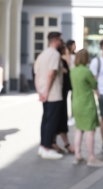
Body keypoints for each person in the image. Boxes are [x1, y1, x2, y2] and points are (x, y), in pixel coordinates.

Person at [70, 49, 103, 167]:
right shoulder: (86, 71)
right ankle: (91, 157)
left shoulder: (73, 71)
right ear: (86, 59)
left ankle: (77, 155)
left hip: (76, 103)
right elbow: (94, 85)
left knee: (79, 129)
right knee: (90, 131)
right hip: (86, 104)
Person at [34, 31, 64, 159]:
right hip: (53, 93)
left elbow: (36, 74)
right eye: (60, 40)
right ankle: (47, 148)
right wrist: (46, 92)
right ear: (56, 40)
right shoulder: (55, 54)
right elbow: (51, 74)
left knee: (45, 120)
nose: (61, 42)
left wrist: (40, 92)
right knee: (51, 121)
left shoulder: (42, 54)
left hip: (44, 93)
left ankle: (42, 146)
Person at [54, 41, 75, 154]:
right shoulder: (59, 60)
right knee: (58, 119)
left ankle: (61, 143)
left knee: (61, 119)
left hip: (63, 93)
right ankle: (55, 143)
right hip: (58, 94)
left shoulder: (62, 61)